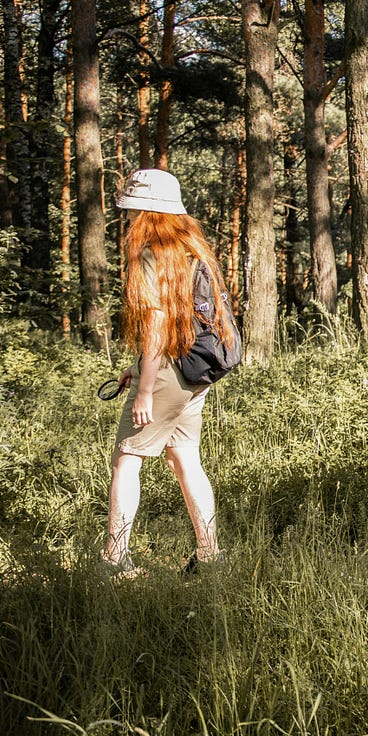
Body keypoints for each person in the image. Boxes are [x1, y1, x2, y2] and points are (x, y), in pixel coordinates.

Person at [103, 168, 230, 579]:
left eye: (133, 209)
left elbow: (157, 324)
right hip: (195, 372)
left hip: (167, 371)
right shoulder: (193, 250)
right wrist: (136, 366)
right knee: (184, 458)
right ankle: (210, 556)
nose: (129, 217)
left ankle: (115, 560)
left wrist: (144, 389)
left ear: (147, 212)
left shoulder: (151, 254)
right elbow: (185, 319)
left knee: (127, 459)